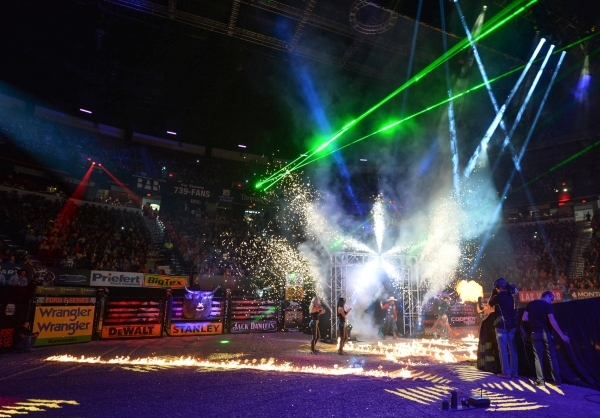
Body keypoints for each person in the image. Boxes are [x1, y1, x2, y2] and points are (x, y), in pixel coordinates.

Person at [522, 291, 570, 387]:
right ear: (547, 296)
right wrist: (562, 335)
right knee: (552, 357)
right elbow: (552, 320)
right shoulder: (548, 306)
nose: (551, 301)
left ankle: (540, 382)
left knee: (538, 357)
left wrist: (534, 320)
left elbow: (524, 318)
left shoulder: (531, 304)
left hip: (534, 333)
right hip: (546, 333)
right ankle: (557, 381)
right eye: (551, 299)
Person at [488, 278, 519, 379]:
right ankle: (515, 372)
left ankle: (506, 373)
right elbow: (517, 295)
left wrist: (492, 294)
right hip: (512, 325)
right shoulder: (510, 296)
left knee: (503, 350)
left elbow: (490, 303)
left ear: (497, 287)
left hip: (501, 326)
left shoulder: (498, 297)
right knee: (513, 349)